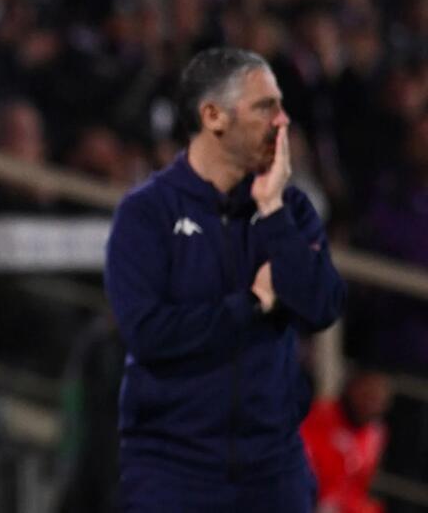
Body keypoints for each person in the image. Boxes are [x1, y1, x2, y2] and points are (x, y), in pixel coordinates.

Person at [105, 47, 345, 512]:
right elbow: (149, 335)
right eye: (264, 107)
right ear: (213, 116)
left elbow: (322, 308)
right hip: (173, 468)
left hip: (274, 466)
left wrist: (272, 211)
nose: (282, 121)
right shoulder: (147, 213)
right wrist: (252, 306)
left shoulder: (290, 210)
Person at [301, 370, 392, 513]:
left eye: (376, 400)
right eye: (366, 395)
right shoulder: (318, 417)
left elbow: (359, 485)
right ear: (351, 388)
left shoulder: (375, 434)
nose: (368, 405)